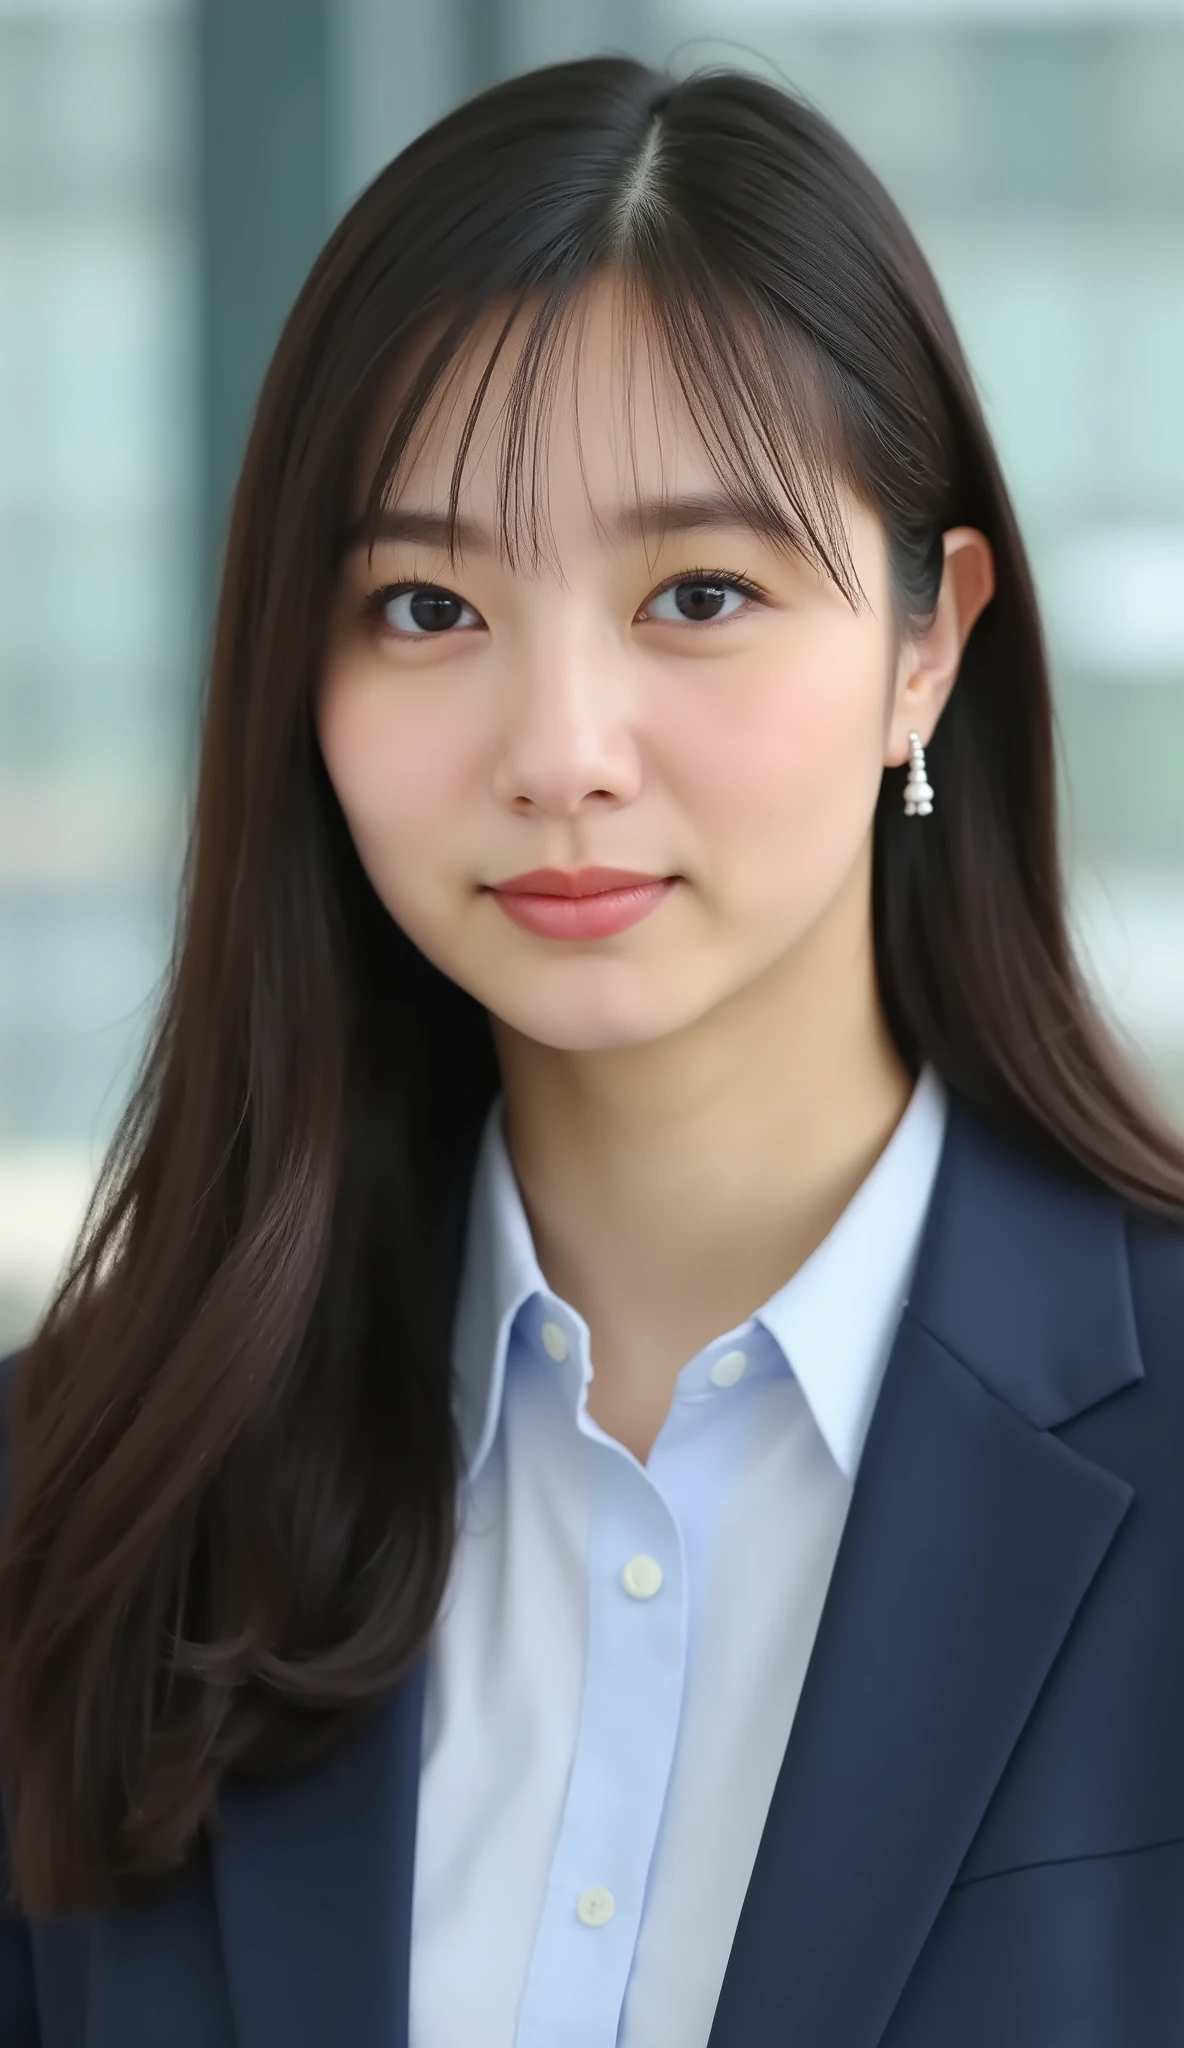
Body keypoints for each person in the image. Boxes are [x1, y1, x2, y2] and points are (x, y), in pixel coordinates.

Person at [2, 51, 1183, 2048]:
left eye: (695, 592)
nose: (558, 749)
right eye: (428, 604)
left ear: (929, 638)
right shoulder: (80, 1493)